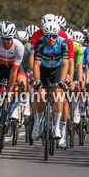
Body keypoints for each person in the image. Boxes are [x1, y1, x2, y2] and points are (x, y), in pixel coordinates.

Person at [32, 19, 71, 148]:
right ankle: (38, 123)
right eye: (48, 36)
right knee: (40, 94)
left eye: (54, 36)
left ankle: (57, 128)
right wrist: (37, 80)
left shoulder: (63, 43)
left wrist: (61, 81)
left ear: (57, 35)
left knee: (59, 95)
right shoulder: (40, 43)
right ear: (44, 35)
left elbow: (66, 64)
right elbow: (36, 65)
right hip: (43, 70)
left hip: (57, 70)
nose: (51, 39)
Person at [0, 21, 24, 143]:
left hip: (14, 68)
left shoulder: (19, 46)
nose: (6, 41)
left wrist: (10, 92)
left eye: (8, 39)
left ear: (13, 37)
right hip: (0, 68)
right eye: (3, 38)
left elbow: (14, 71)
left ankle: (16, 109)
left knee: (20, 85)